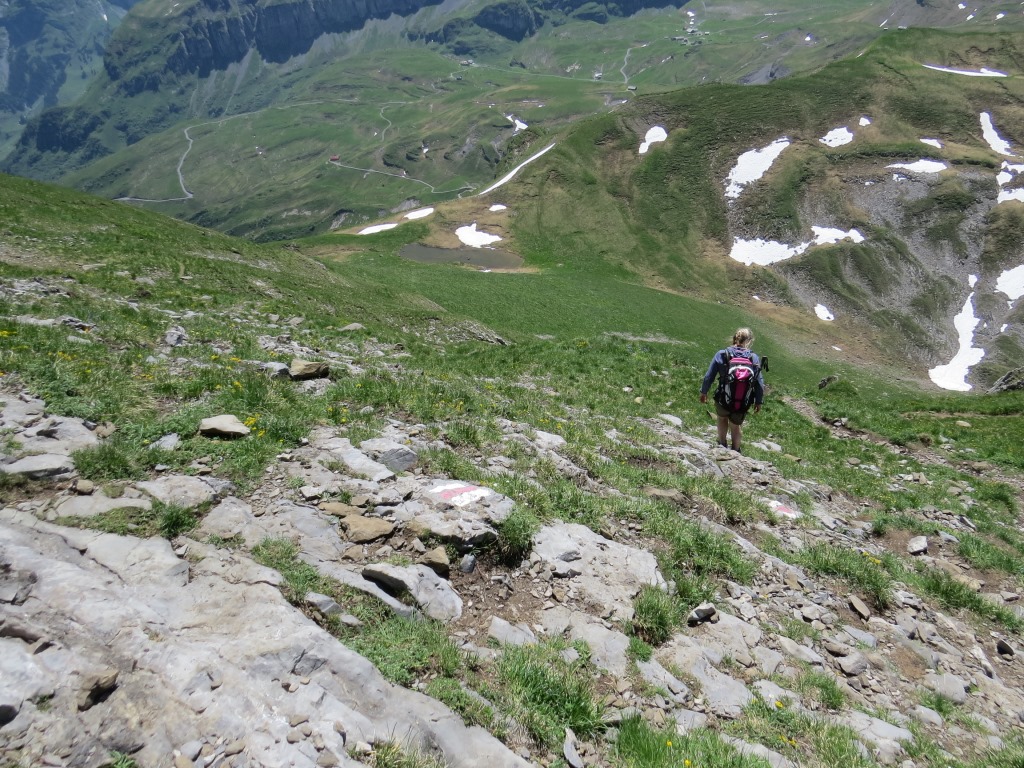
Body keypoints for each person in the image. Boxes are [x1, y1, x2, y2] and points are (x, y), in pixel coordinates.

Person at [699, 327, 765, 453]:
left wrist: (704, 392)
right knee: (736, 425)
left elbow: (709, 376)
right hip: (743, 401)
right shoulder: (753, 358)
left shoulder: (722, 354)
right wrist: (758, 401)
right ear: (749, 341)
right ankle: (736, 451)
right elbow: (759, 383)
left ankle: (722, 445)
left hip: (723, 397)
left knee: (722, 418)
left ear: (734, 338)